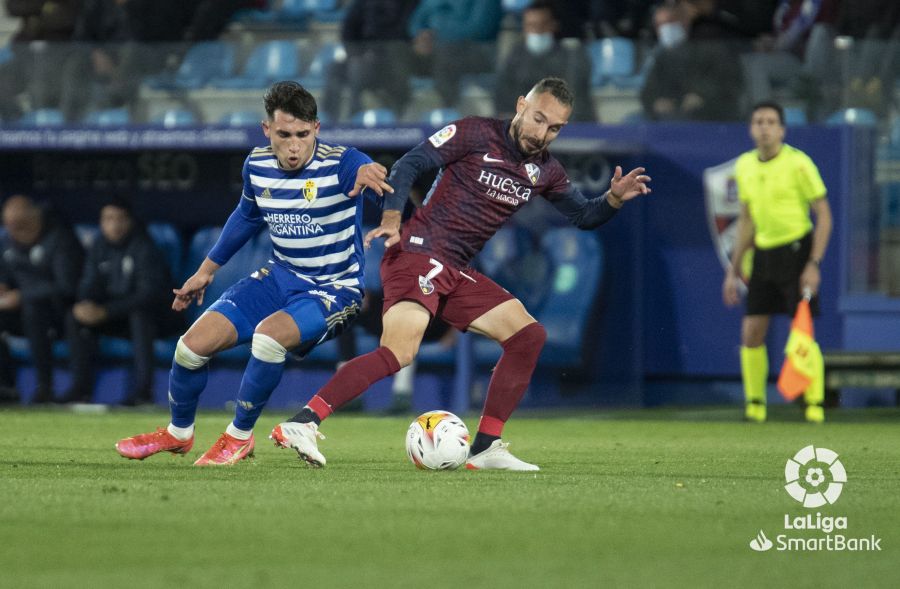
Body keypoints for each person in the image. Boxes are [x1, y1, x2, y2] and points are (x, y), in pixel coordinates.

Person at [270, 77, 652, 470]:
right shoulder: (475, 132)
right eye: (538, 119)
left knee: (527, 335)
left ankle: (485, 446)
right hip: (418, 253)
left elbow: (585, 215)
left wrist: (613, 199)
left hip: (455, 269)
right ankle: (305, 421)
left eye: (554, 128)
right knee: (400, 352)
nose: (542, 133)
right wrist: (391, 217)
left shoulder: (546, 171)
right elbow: (410, 164)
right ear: (521, 105)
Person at [115, 81, 393, 465]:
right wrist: (205, 272)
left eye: (302, 134)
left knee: (267, 338)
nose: (294, 145)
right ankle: (178, 434)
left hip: (334, 289)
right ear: (267, 130)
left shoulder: (342, 163)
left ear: (316, 128)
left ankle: (239, 437)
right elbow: (245, 218)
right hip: (280, 278)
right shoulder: (257, 165)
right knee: (190, 347)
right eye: (284, 135)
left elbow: (363, 168)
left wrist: (371, 178)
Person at [722, 101, 832, 423]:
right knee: (752, 330)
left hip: (797, 252)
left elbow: (824, 215)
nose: (765, 127)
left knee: (802, 331)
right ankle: (755, 405)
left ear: (782, 129)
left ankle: (814, 404)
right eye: (759, 121)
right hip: (764, 255)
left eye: (771, 122)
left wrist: (814, 263)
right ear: (751, 128)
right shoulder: (744, 165)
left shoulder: (799, 164)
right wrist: (734, 269)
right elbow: (746, 220)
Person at [67, 198, 183, 405]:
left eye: (120, 219)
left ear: (130, 222)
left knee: (140, 316)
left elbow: (149, 296)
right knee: (76, 316)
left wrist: (106, 312)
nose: (114, 225)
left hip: (158, 319)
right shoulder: (98, 245)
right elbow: (88, 283)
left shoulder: (144, 247)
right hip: (118, 316)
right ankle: (80, 389)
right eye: (108, 219)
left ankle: (143, 392)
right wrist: (86, 304)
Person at [0, 195, 85, 404]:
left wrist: (22, 296)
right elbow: (6, 276)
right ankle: (6, 387)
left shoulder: (60, 238)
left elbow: (67, 287)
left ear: (35, 217)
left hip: (57, 314)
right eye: (10, 227)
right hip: (19, 312)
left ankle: (44, 388)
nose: (15, 232)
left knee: (33, 309)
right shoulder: (8, 241)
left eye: (21, 226)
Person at [494, 1, 594, 122]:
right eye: (531, 25)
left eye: (543, 25)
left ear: (554, 25)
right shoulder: (514, 59)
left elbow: (575, 101)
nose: (537, 31)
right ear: (524, 28)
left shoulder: (571, 58)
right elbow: (503, 101)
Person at [321, 0, 419, 122]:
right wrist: (357, 54)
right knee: (335, 70)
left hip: (395, 57)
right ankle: (331, 121)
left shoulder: (407, 3)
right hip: (362, 56)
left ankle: (355, 114)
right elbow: (348, 30)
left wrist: (377, 51)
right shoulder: (363, 3)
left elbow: (407, 31)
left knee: (359, 69)